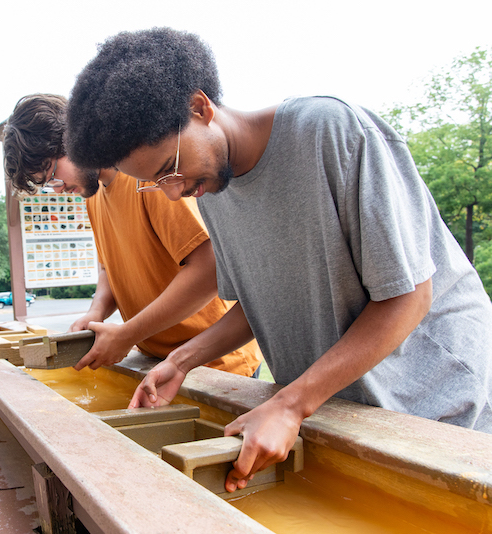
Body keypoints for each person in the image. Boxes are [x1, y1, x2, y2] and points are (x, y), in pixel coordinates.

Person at [65, 27, 492, 494]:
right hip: (345, 407)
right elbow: (260, 299)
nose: (173, 191)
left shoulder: (329, 131)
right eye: (152, 182)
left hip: (438, 402)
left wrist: (290, 405)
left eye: (168, 168)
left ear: (200, 108)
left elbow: (409, 296)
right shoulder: (212, 187)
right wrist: (184, 361)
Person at [3, 94, 261, 377]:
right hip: (158, 364)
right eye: (47, 184)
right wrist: (96, 312)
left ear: (72, 139)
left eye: (52, 173)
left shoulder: (149, 177)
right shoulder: (93, 196)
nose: (57, 188)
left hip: (215, 364)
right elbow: (111, 269)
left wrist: (127, 334)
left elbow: (211, 269)